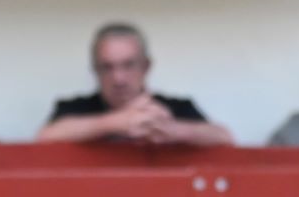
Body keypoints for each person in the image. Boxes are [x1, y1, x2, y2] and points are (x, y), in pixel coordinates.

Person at [36, 23, 233, 147]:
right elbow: (44, 137)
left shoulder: (177, 108)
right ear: (95, 70)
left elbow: (224, 137)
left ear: (146, 66)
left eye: (128, 65)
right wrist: (116, 122)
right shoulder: (74, 108)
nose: (118, 78)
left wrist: (174, 130)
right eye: (107, 67)